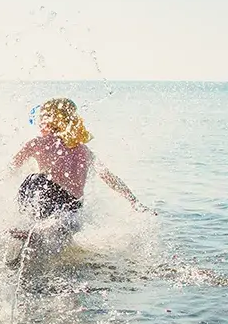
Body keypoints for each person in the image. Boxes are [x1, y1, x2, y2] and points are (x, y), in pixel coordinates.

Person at [10, 97, 154, 237]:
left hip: (49, 200)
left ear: (48, 121)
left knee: (34, 179)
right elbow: (110, 178)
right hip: (73, 211)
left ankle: (30, 228)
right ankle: (42, 231)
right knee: (59, 224)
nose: (38, 124)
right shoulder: (85, 151)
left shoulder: (37, 143)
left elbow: (12, 169)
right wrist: (134, 202)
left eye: (41, 119)